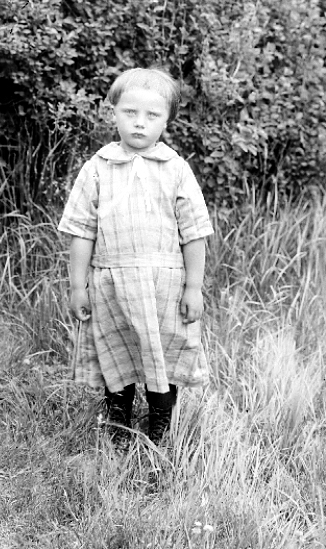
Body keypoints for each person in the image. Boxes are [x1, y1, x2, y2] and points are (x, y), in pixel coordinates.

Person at [58, 67, 213, 451]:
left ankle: (160, 428)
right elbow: (82, 231)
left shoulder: (176, 169)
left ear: (166, 120)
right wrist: (78, 286)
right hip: (112, 284)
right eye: (130, 112)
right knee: (118, 354)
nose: (140, 123)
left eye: (151, 115)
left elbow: (194, 233)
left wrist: (194, 287)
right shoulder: (98, 167)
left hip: (164, 287)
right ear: (113, 112)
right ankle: (118, 426)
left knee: (163, 355)